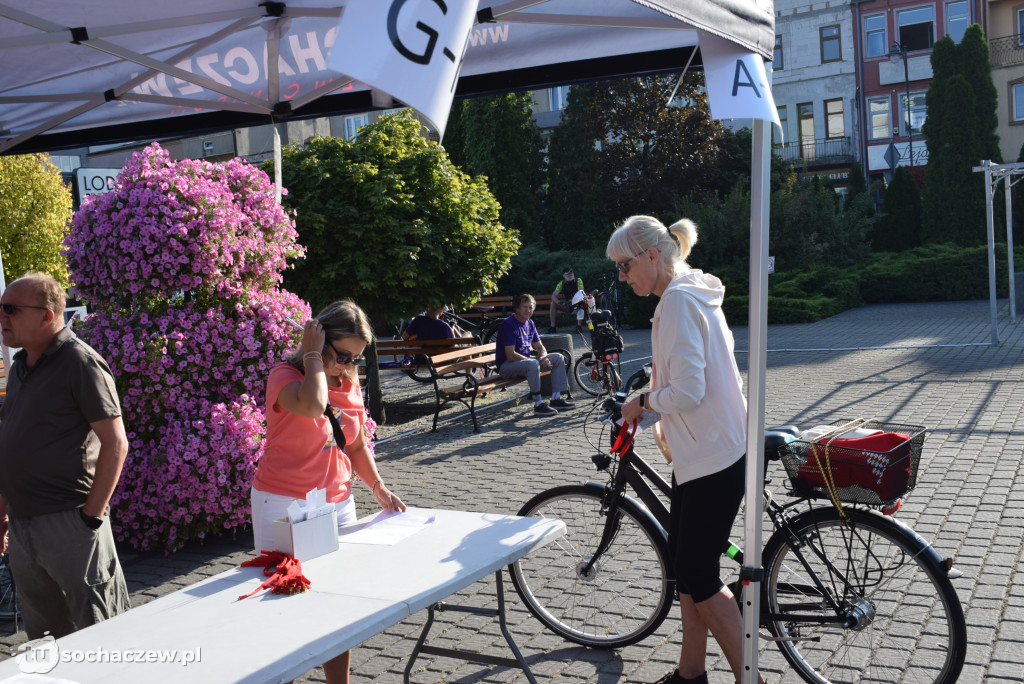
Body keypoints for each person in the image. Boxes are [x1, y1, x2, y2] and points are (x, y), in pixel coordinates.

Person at [608, 216, 764, 684]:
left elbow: (689, 390)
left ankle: (750, 678)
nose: (622, 276)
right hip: (715, 449)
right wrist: (660, 403)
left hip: (712, 457)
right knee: (687, 564)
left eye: (624, 265)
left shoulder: (675, 302)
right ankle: (691, 672)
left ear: (652, 256)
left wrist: (644, 403)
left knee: (697, 570)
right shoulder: (693, 290)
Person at [251, 299, 407, 684]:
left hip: (337, 502)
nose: (348, 367)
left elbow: (354, 444)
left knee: (337, 603)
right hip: (283, 504)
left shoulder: (348, 381)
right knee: (284, 600)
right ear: (317, 339)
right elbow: (312, 403)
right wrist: (312, 356)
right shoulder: (284, 376)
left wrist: (377, 485)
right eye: (342, 356)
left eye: (355, 359)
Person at [0, 272, 131, 640]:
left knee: (101, 635)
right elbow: (14, 442)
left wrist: (90, 517)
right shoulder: (20, 366)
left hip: (70, 522)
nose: (2, 317)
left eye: (10, 309)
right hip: (24, 526)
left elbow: (116, 442)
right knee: (46, 637)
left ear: (46, 315)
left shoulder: (80, 362)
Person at [495, 294, 575, 417]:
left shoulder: (530, 323)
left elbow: (540, 347)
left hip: (527, 363)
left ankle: (556, 399)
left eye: (530, 307)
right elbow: (510, 355)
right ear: (517, 308)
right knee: (532, 363)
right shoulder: (508, 324)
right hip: (507, 366)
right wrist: (534, 362)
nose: (528, 310)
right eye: (524, 307)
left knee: (558, 357)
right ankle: (538, 404)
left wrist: (543, 357)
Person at [547, 266, 583, 334]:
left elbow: (581, 293)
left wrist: (571, 300)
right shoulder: (561, 283)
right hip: (568, 306)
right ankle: (552, 327)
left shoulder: (578, 280)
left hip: (577, 304)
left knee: (580, 303)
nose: (571, 274)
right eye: (568, 273)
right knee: (553, 303)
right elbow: (553, 295)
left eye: (571, 272)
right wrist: (559, 302)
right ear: (564, 275)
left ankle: (579, 327)